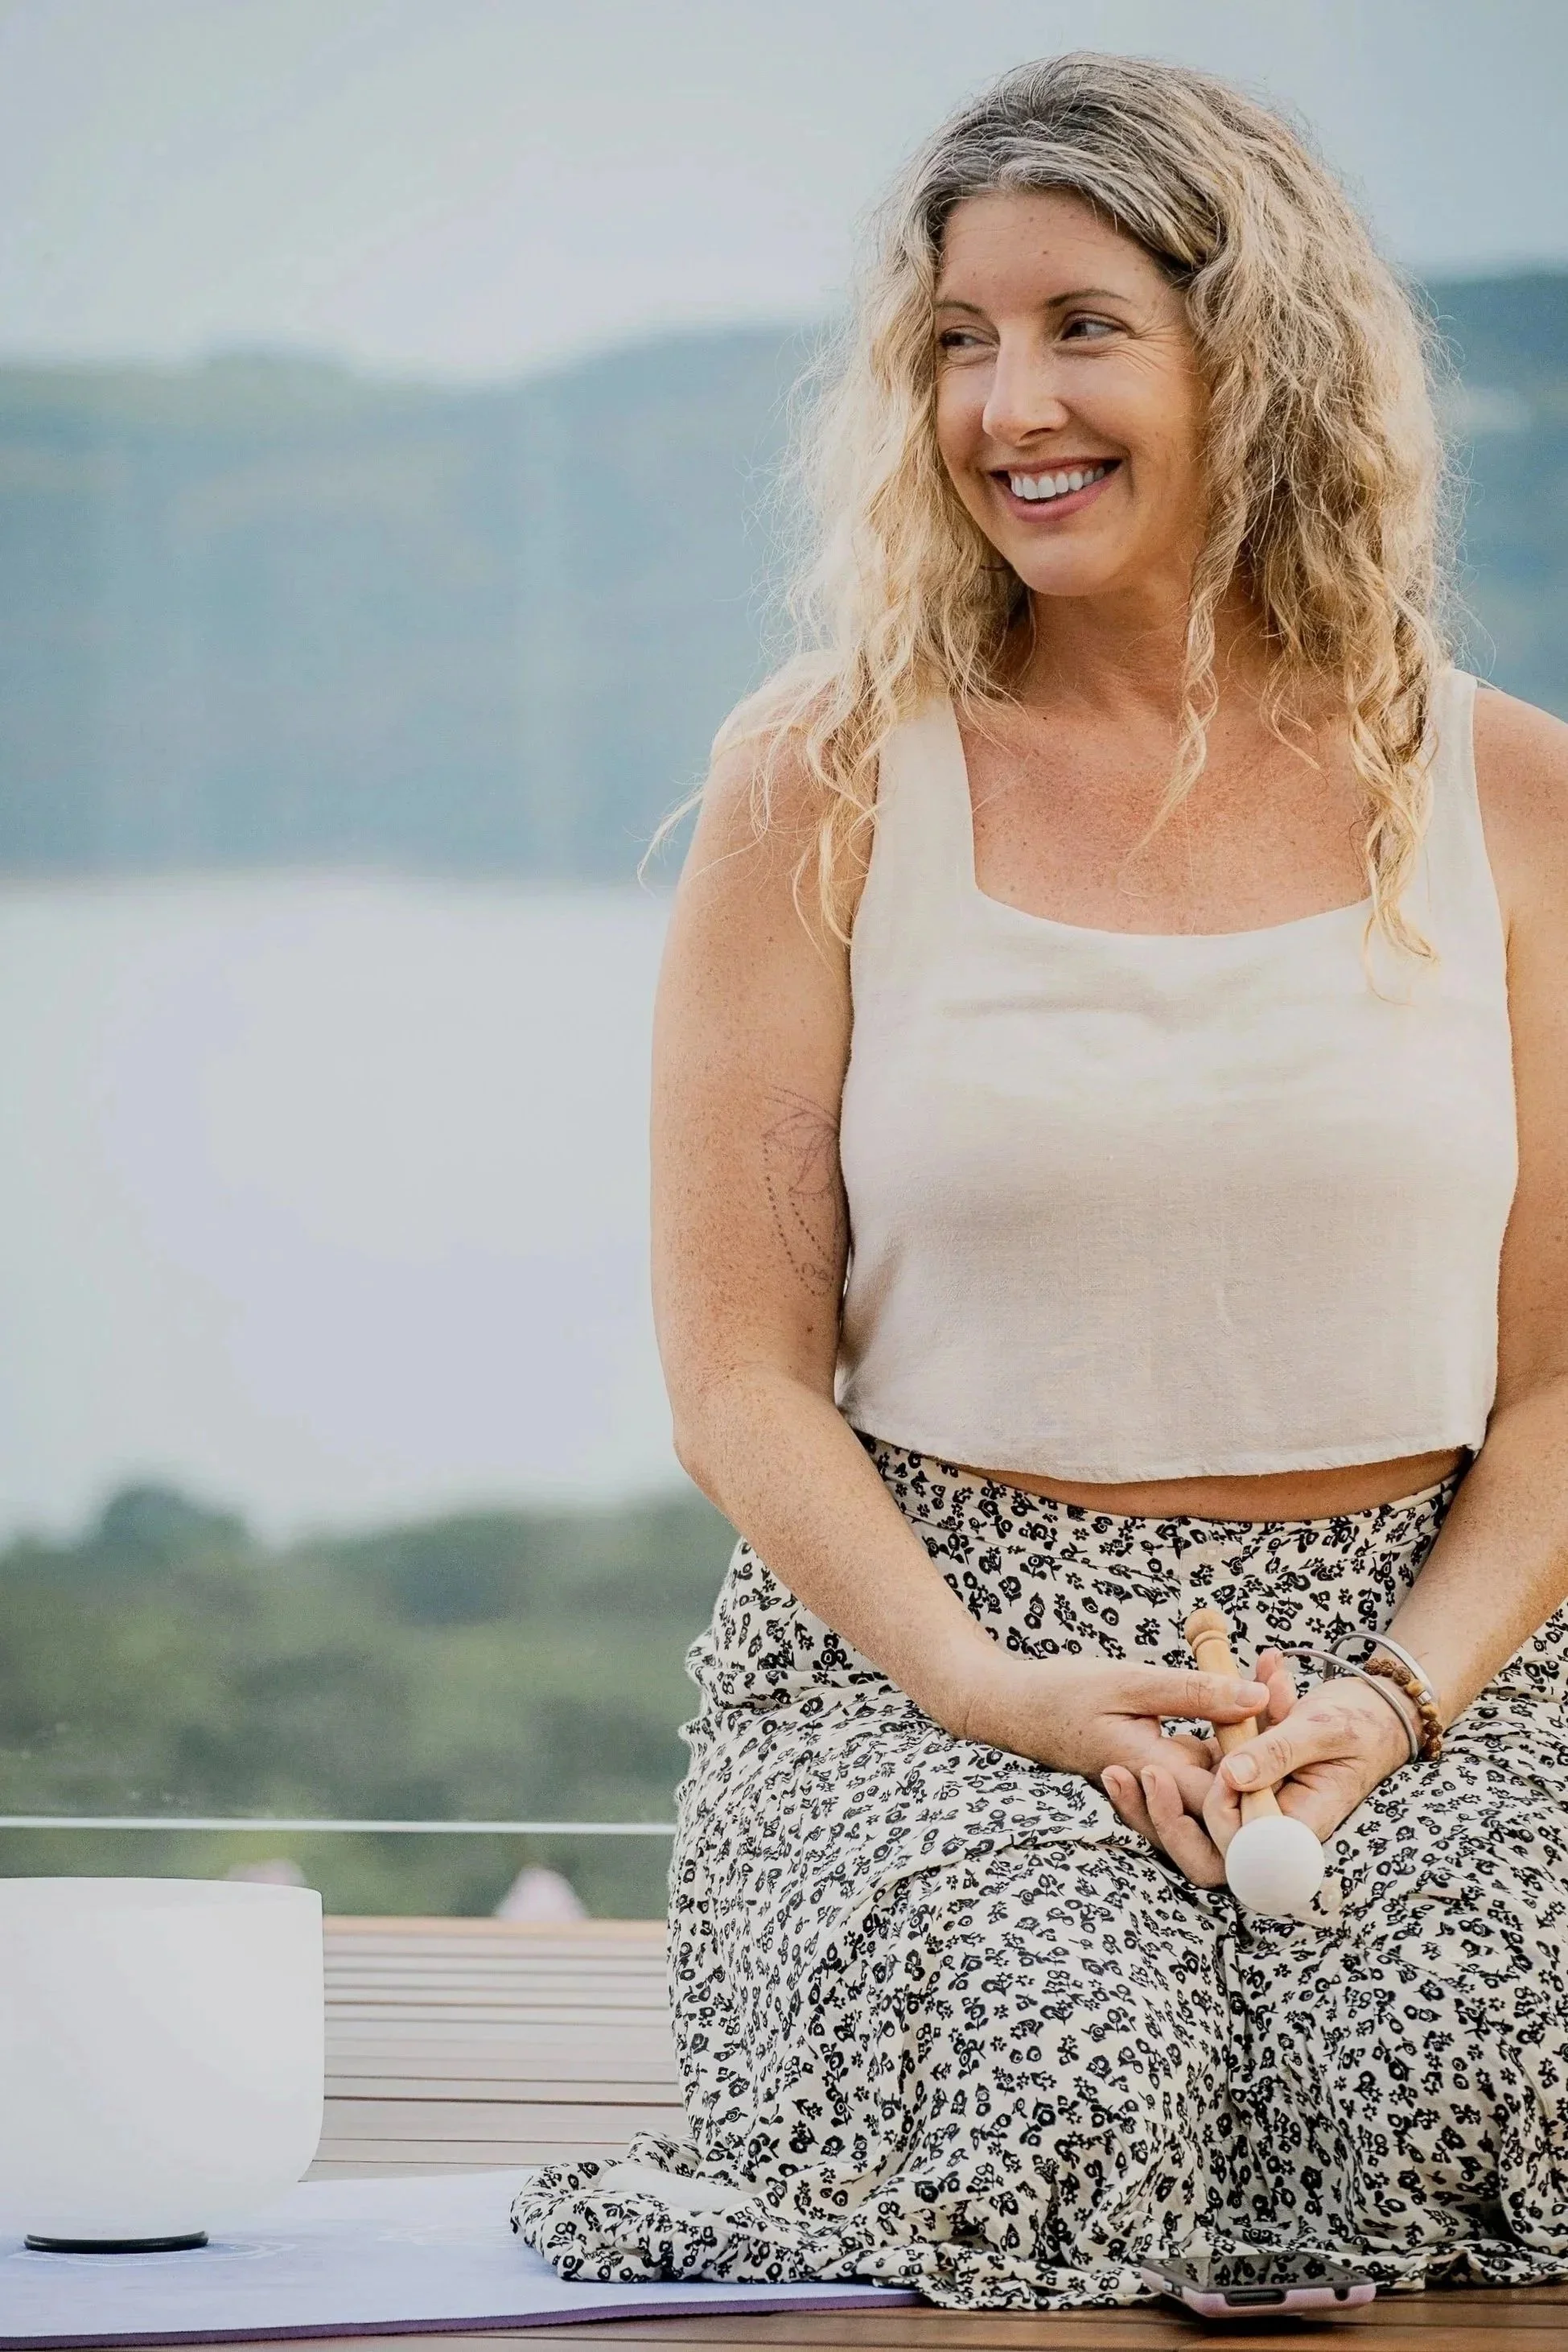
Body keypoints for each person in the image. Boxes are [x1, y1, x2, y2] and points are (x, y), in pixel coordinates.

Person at [513, 51, 1568, 2310]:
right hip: (932, 1647)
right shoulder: (818, 777)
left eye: (1080, 325)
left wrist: (1384, 1704)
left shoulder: (1514, 793)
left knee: (1417, 2062)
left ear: (1252, 354)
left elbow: (1564, 1391)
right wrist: (998, 1689)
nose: (1007, 402)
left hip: (1437, 1655)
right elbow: (736, 1377)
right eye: (956, 344)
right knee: (1058, 2057)